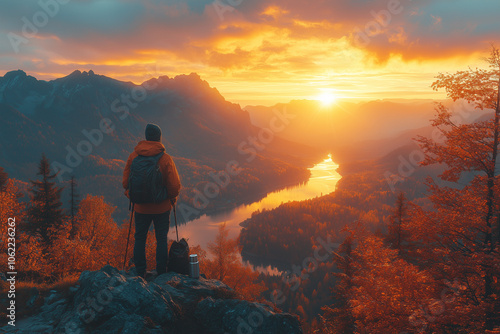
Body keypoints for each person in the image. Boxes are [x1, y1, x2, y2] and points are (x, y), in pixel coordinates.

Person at [122, 123, 181, 278]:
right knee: (161, 238)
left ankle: (140, 271)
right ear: (159, 138)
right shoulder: (165, 158)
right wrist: (171, 197)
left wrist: (131, 195)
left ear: (146, 137)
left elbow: (125, 183)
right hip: (161, 208)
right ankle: (161, 272)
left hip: (140, 207)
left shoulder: (134, 156)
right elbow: (174, 186)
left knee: (140, 237)